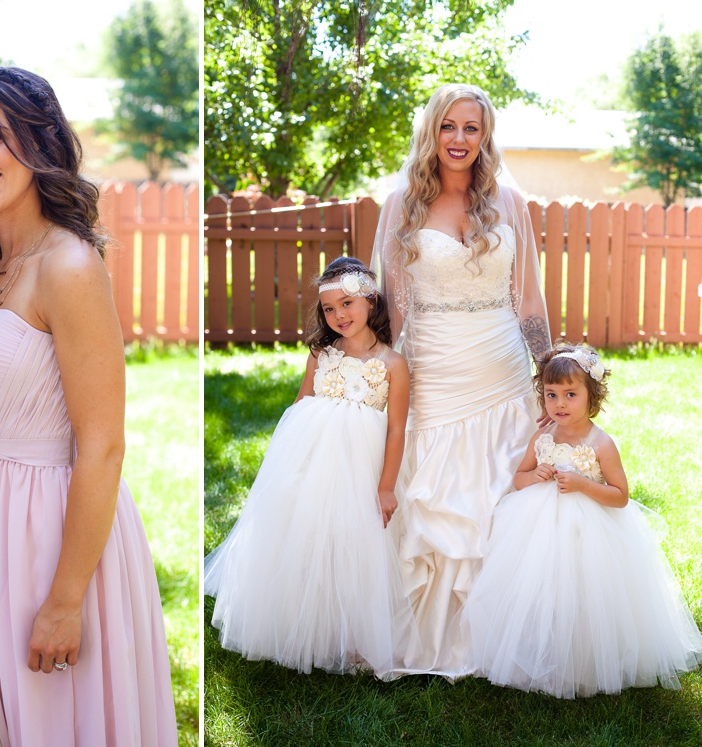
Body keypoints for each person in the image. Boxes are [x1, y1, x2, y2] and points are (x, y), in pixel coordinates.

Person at [0, 66, 178, 745]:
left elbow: (102, 445)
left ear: (39, 140)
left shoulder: (69, 265)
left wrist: (66, 598)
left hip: (58, 525)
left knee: (60, 717)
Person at [369, 83, 549, 677]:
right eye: (449, 126)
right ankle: (424, 630)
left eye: (472, 128)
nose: (459, 140)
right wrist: (380, 376)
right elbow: (392, 307)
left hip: (500, 367)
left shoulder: (511, 202)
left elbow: (529, 301)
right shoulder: (402, 206)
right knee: (438, 493)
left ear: (486, 136)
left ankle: (506, 625)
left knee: (503, 486)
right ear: (431, 132)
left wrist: (548, 376)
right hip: (435, 368)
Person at [205, 257, 413, 679]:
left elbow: (395, 430)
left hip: (359, 465)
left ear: (370, 301)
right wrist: (286, 464)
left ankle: (351, 635)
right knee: (305, 537)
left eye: (348, 304)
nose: (339, 316)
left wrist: (386, 485)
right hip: (312, 457)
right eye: (330, 309)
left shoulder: (393, 364)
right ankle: (298, 620)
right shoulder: (321, 353)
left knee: (352, 542)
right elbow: (301, 403)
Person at [467, 345, 702, 697]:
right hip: (539, 529)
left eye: (570, 394)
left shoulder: (601, 443)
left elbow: (620, 495)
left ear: (592, 397)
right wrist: (536, 476)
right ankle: (543, 658)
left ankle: (586, 662)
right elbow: (519, 476)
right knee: (543, 592)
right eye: (551, 395)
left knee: (583, 595)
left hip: (588, 531)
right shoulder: (543, 436)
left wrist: (583, 484)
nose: (559, 403)